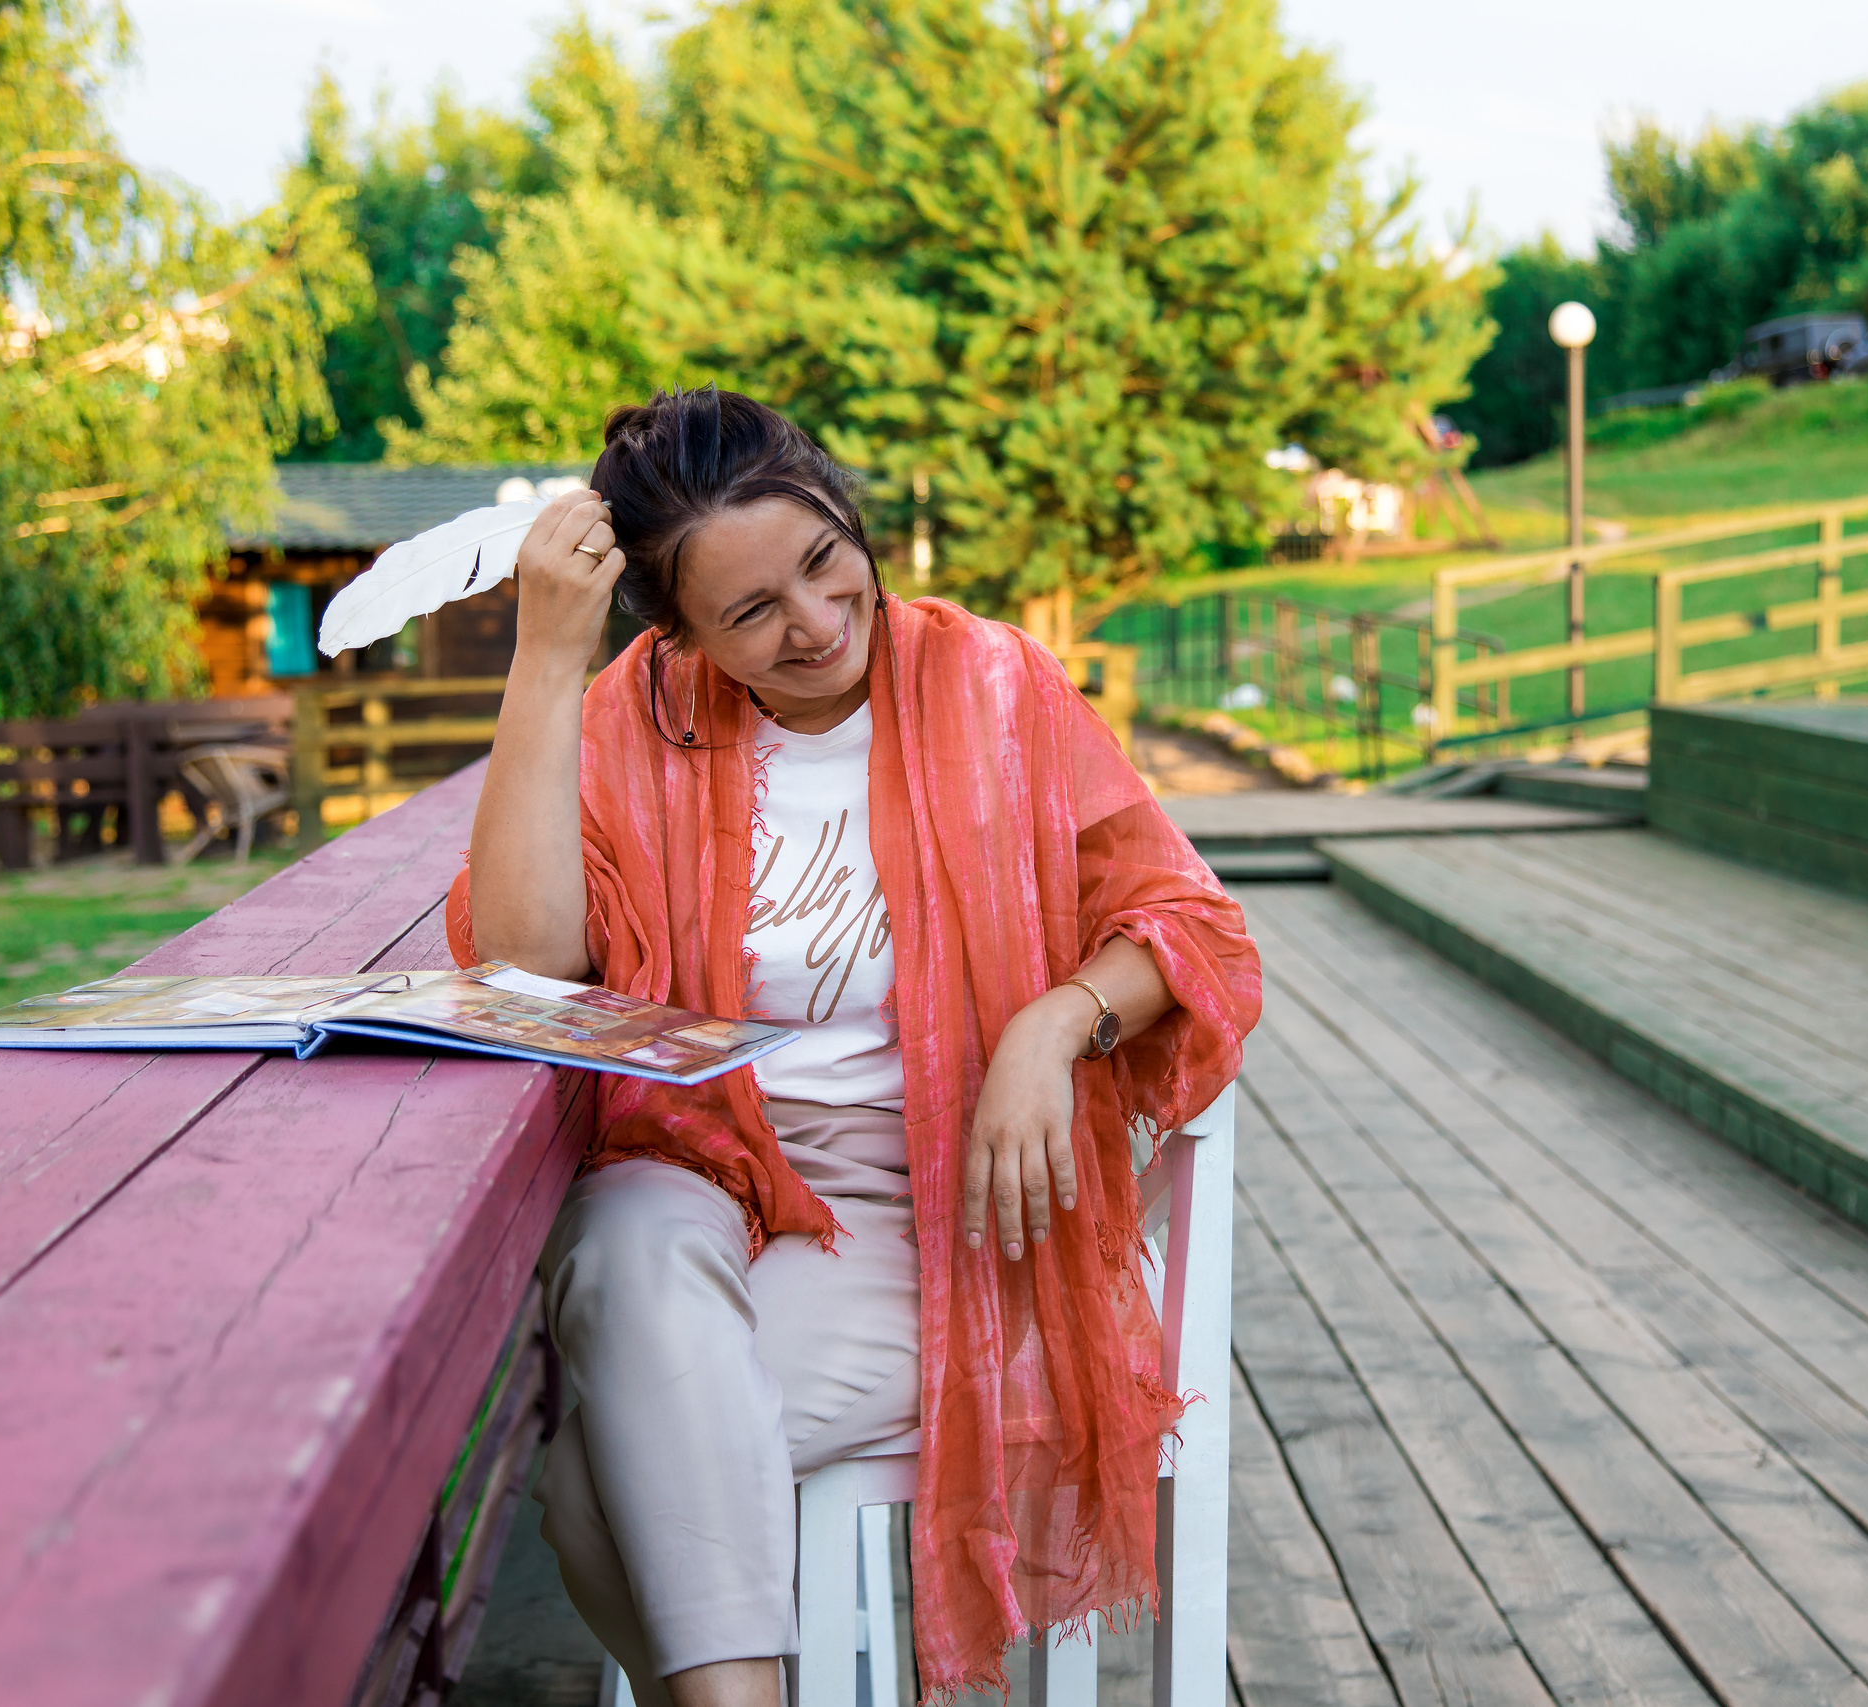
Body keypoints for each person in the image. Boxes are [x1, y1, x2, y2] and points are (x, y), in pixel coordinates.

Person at [445, 387, 1259, 1704]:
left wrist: (1054, 1024)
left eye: (827, 563)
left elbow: (1190, 926)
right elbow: (526, 967)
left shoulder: (993, 683)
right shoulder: (631, 717)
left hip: (947, 1212)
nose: (820, 625)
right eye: (754, 615)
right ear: (684, 635)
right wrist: (546, 660)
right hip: (707, 1167)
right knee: (621, 1235)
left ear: (845, 513)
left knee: (595, 1486)